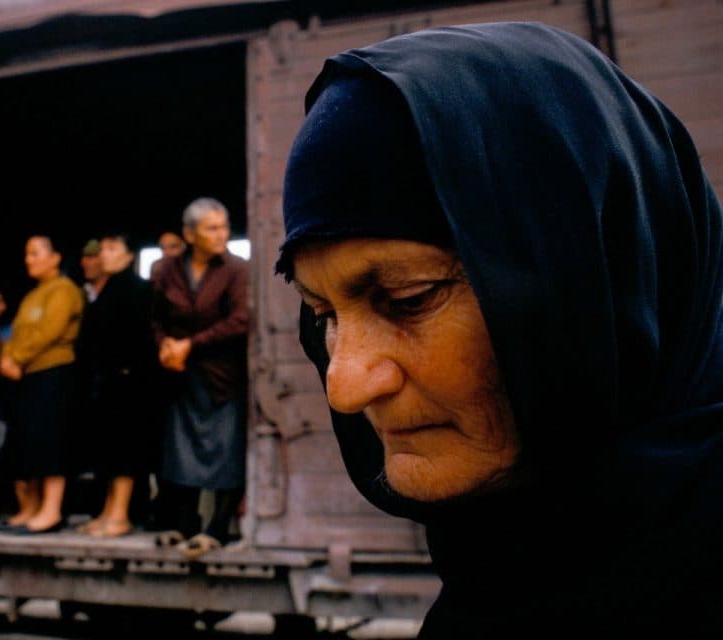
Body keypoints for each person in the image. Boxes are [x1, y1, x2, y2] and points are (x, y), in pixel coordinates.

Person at [276, 22, 723, 638]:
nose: (345, 388)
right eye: (323, 315)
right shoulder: (496, 576)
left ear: (599, 276)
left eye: (409, 299)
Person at [151, 197, 249, 558]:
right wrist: (165, 346)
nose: (221, 234)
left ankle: (218, 528)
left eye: (223, 226)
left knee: (225, 451)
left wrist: (189, 345)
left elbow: (241, 321)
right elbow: (156, 318)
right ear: (189, 234)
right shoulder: (166, 270)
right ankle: (184, 522)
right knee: (181, 451)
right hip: (180, 376)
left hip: (223, 376)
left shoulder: (238, 269)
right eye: (211, 228)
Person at [0, 235, 83, 534]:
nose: (28, 260)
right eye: (27, 253)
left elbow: (50, 331)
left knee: (51, 442)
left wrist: (16, 358)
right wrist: (7, 357)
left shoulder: (64, 290)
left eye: (35, 253)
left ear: (55, 258)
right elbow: (14, 334)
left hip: (54, 374)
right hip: (27, 377)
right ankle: (29, 509)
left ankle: (51, 511)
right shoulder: (33, 295)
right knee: (27, 442)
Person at [75, 232, 156, 538]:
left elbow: (141, 339)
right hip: (106, 384)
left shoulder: (137, 289)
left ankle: (120, 515)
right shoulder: (107, 290)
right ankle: (108, 512)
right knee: (107, 451)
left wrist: (125, 371)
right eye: (103, 248)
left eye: (112, 248)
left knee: (124, 451)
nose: (104, 254)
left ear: (128, 256)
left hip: (128, 384)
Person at [79, 238, 106, 303]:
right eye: (83, 258)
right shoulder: (83, 291)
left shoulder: (119, 290)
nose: (83, 263)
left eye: (90, 257)